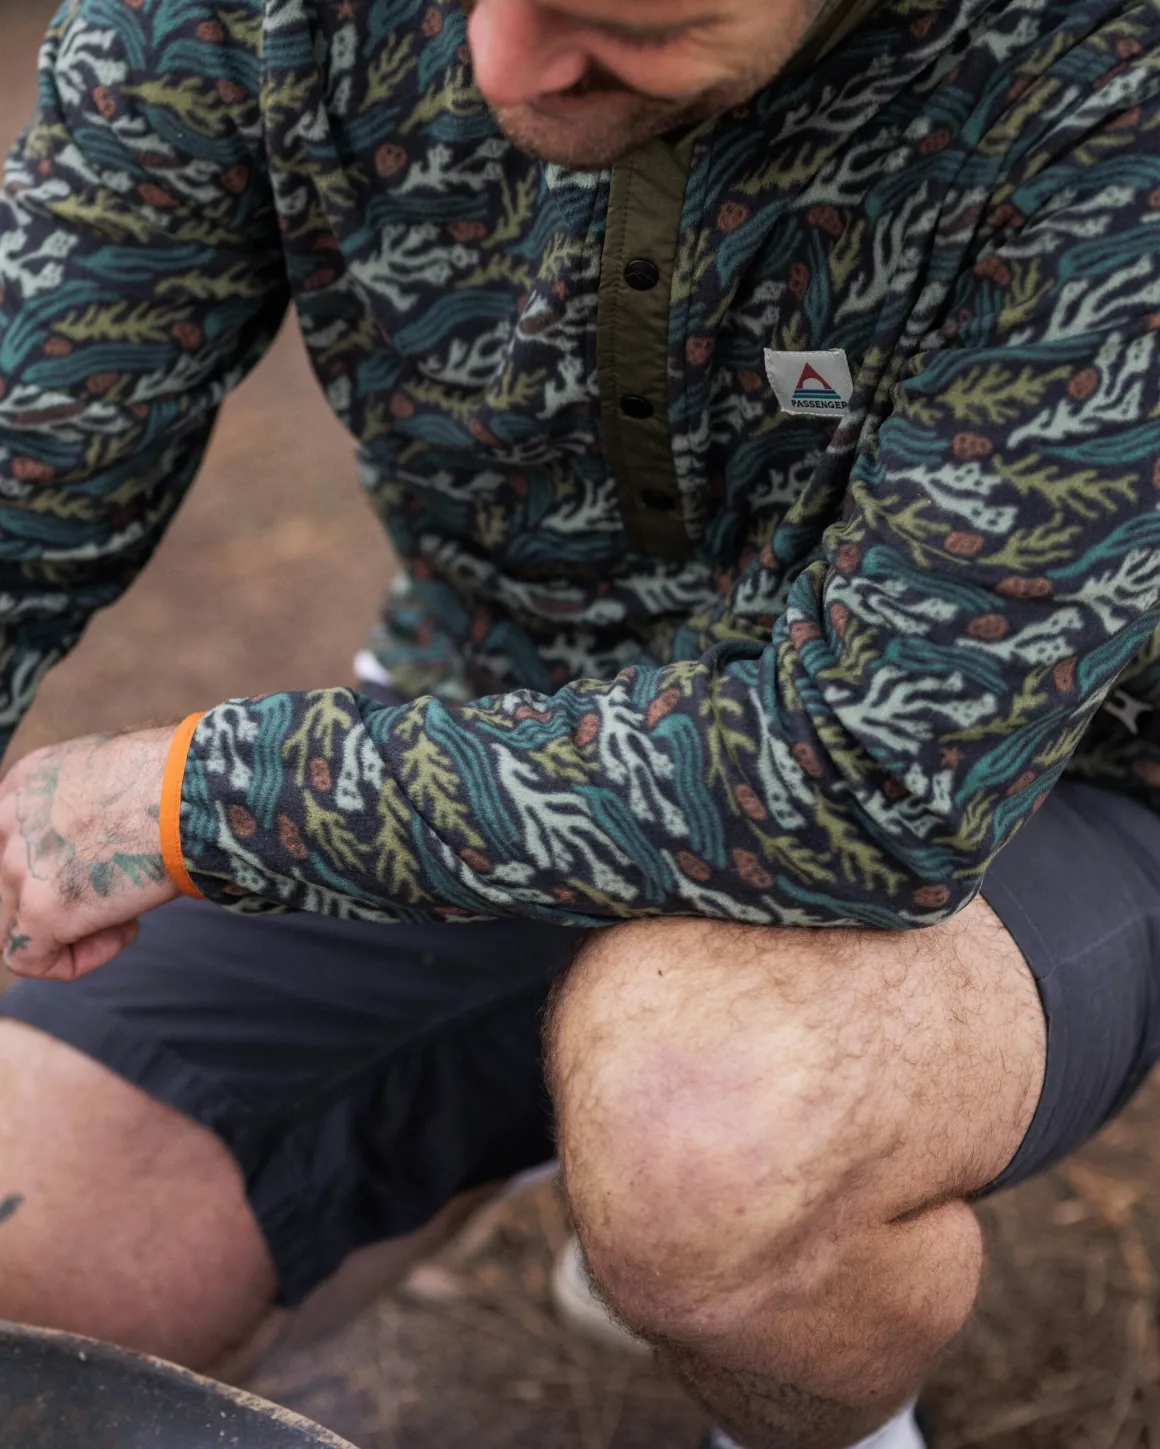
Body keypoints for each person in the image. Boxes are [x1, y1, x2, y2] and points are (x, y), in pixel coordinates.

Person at [1, 0, 1159, 1443]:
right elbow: (24, 467)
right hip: (490, 706)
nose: (500, 65)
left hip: (1030, 781)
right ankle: (529, 1086)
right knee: (37, 1252)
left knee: (711, 1138)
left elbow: (864, 777)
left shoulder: (1107, 79)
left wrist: (203, 799)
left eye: (622, 20)